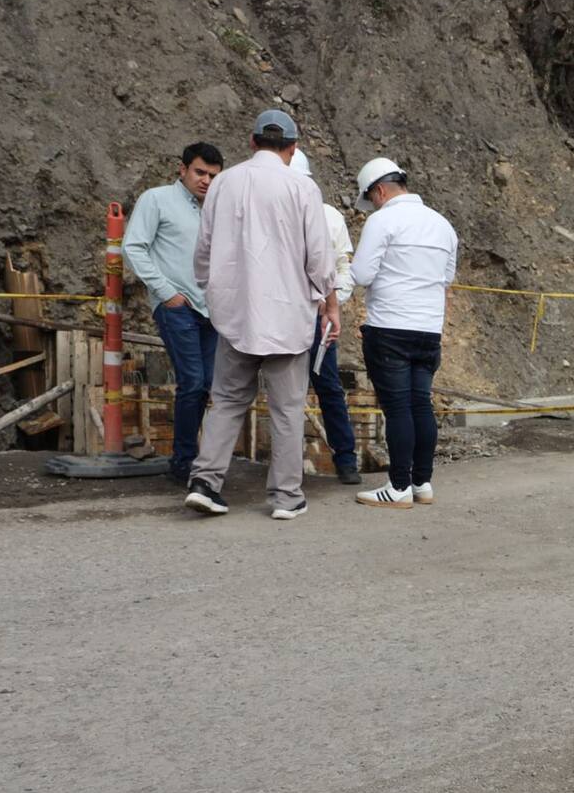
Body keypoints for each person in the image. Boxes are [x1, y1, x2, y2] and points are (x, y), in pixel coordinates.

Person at [184, 110, 339, 520]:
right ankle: (286, 498)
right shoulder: (302, 188)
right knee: (287, 408)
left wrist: (210, 288)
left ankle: (205, 482)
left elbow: (204, 248)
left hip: (235, 315)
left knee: (228, 400)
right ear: (293, 148)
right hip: (286, 316)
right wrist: (328, 300)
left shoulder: (223, 184)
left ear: (252, 142)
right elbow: (320, 258)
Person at [350, 157, 458, 509]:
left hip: (389, 329)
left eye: (371, 200)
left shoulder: (383, 221)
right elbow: (446, 279)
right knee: (420, 405)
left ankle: (398, 488)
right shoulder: (443, 225)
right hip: (428, 331)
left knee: (397, 410)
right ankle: (421, 483)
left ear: (379, 191)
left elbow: (362, 274)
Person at [123, 141, 223, 485]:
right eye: (200, 172)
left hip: (212, 310)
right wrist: (166, 294)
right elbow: (133, 246)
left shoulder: (215, 209)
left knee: (210, 385)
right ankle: (183, 463)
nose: (206, 180)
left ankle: (200, 460)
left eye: (212, 175)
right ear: (182, 169)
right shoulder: (156, 199)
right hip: (178, 308)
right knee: (193, 382)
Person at [290, 149, 361, 485]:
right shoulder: (269, 212)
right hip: (281, 317)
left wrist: (331, 305)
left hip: (318, 319)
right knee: (284, 390)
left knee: (328, 386)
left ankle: (346, 459)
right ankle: (285, 468)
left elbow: (344, 269)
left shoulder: (329, 217)